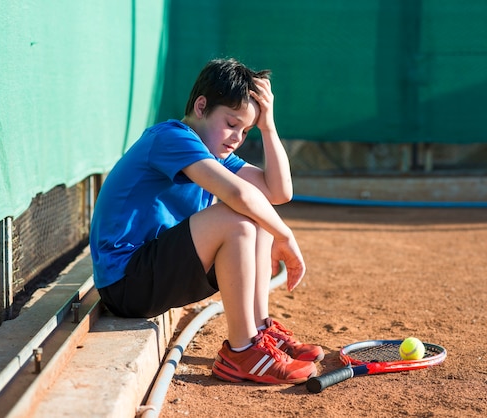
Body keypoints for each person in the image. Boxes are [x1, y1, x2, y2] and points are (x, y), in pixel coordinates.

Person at [89, 58, 323, 384]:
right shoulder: (172, 137)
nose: (237, 137)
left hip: (153, 274)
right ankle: (241, 352)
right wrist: (285, 235)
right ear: (201, 107)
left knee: (257, 215)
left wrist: (268, 126)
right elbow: (239, 195)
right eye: (231, 123)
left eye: (246, 130)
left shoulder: (216, 153)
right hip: (126, 283)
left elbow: (278, 191)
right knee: (239, 217)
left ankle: (258, 331)